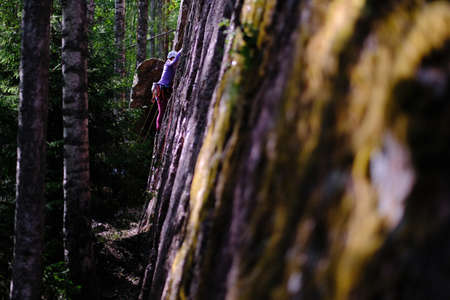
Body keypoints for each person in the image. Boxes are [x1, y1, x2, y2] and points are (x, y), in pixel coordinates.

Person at [153, 48, 183, 130]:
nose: (176, 61)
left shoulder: (171, 67)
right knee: (161, 110)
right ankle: (158, 128)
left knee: (163, 109)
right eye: (174, 58)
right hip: (161, 88)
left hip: (161, 88)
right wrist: (181, 51)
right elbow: (174, 61)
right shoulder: (168, 63)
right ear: (171, 58)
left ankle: (160, 127)